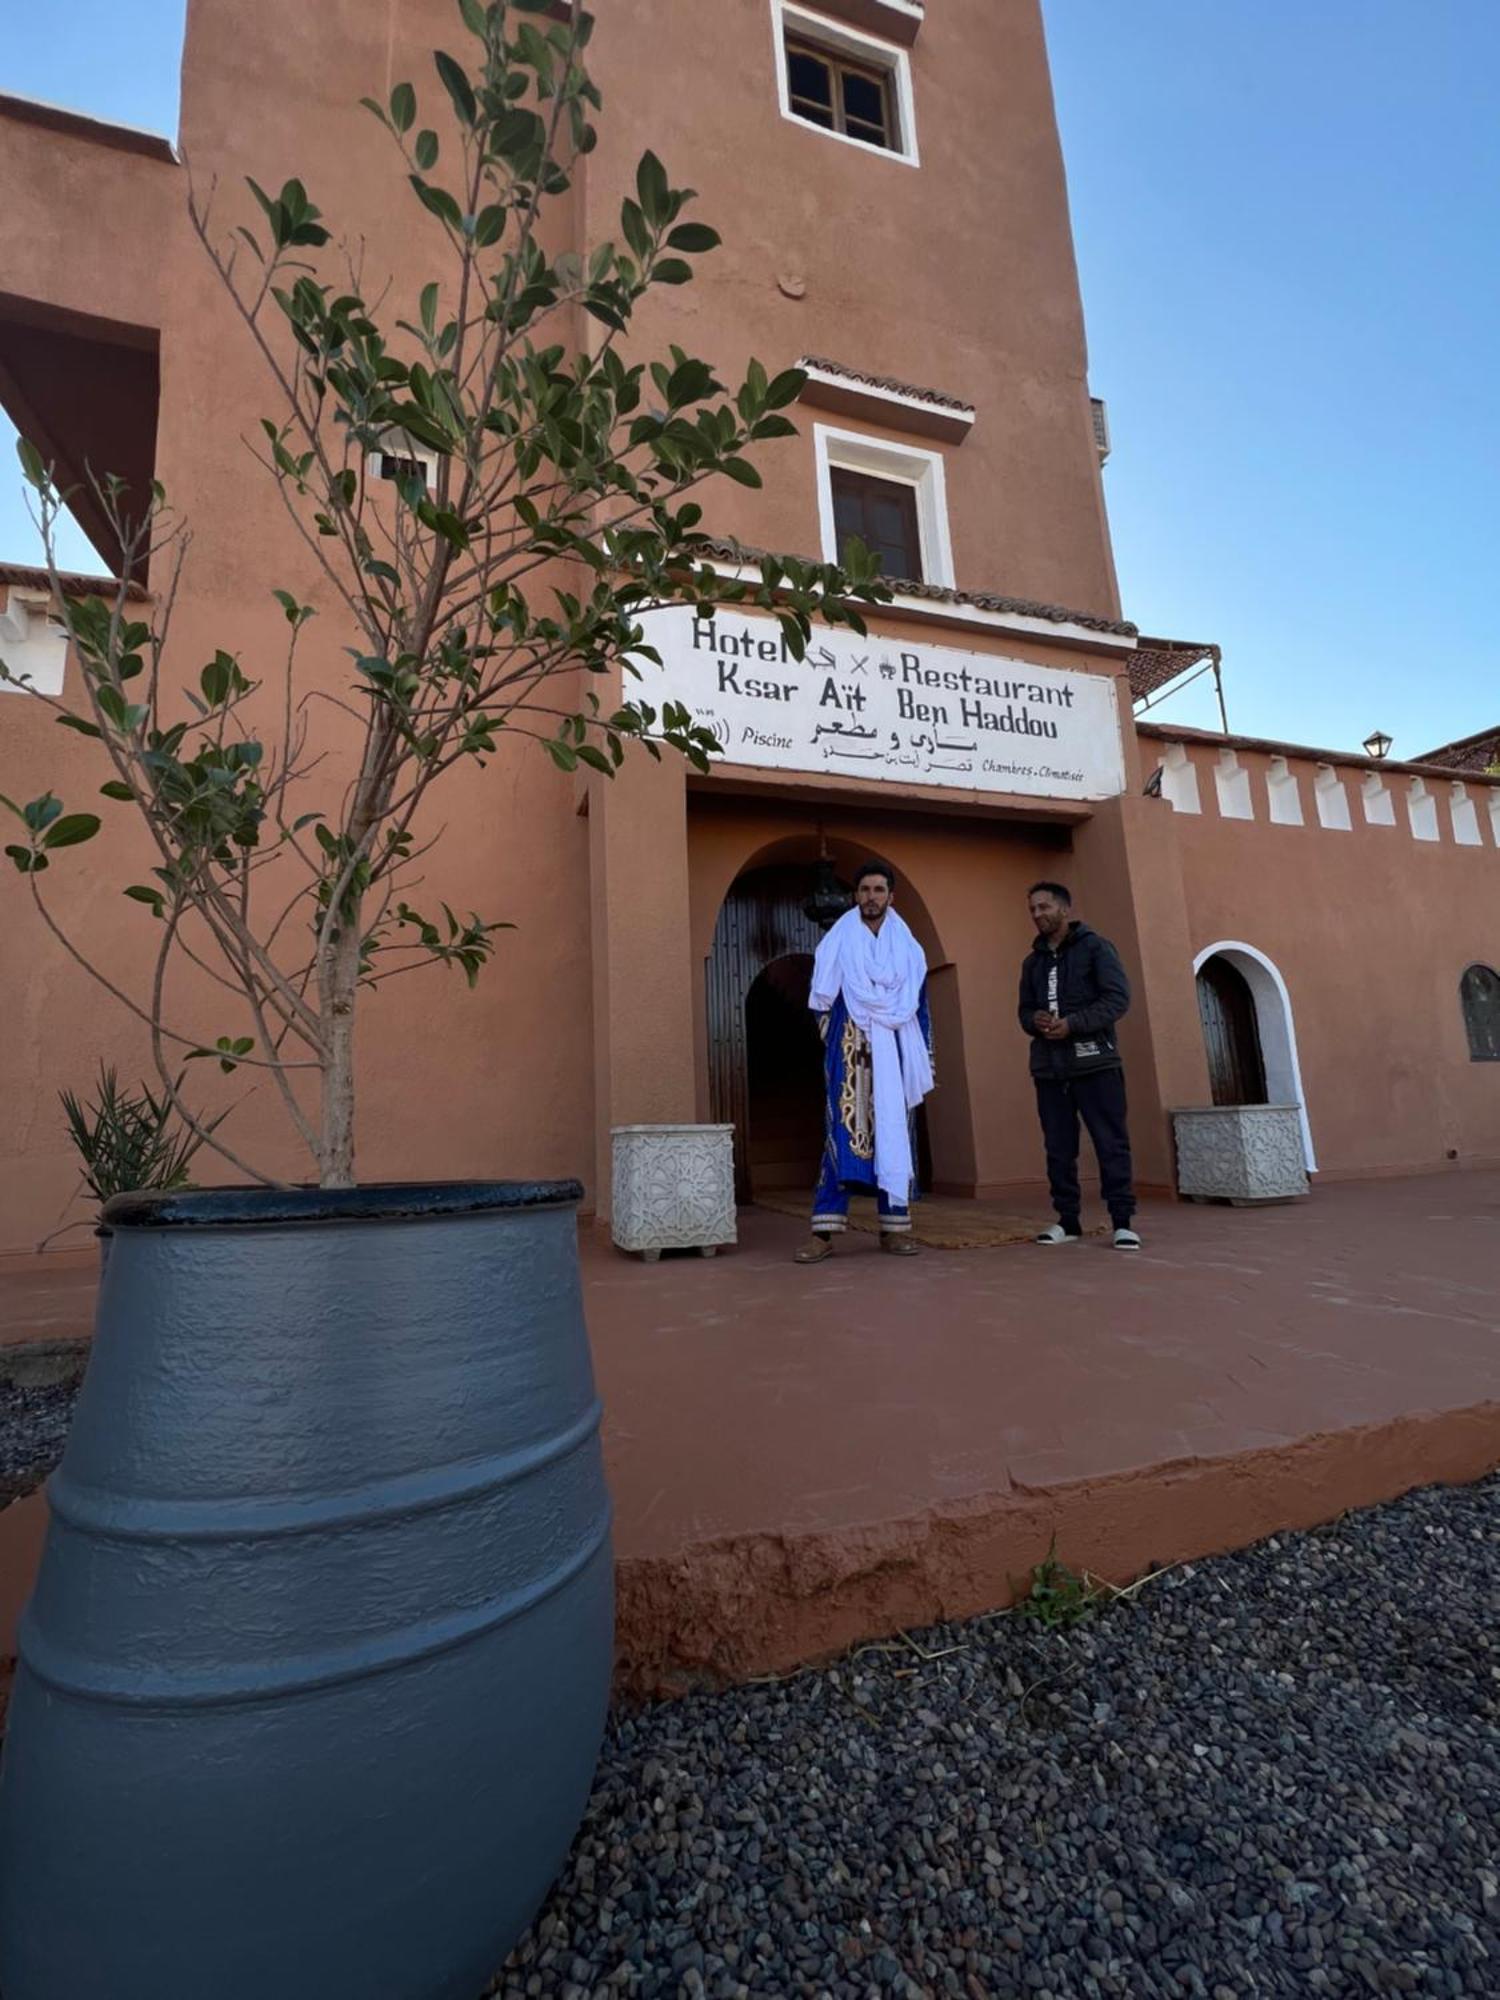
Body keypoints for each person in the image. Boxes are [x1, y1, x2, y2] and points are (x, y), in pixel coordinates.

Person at [793, 860, 934, 1263]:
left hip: (895, 1054)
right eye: (864, 890)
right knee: (839, 1138)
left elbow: (919, 1007)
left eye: (878, 890)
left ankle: (894, 1231)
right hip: (850, 1054)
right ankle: (822, 1233)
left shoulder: (909, 949)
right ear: (855, 896)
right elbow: (821, 1000)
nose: (871, 897)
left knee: (896, 1137)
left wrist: (924, 1059)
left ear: (891, 896)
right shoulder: (839, 940)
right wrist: (836, 1042)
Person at [1018, 881, 1141, 1251]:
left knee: (1110, 1142)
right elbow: (1023, 1011)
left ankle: (1122, 1221)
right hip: (1049, 1068)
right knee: (1058, 1147)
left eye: (1044, 907)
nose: (1038, 914)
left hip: (1096, 1063)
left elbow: (1117, 999)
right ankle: (1067, 1221)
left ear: (1064, 910)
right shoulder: (1032, 962)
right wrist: (1035, 1019)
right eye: (1033, 910)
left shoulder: (1096, 948)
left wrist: (1073, 1024)